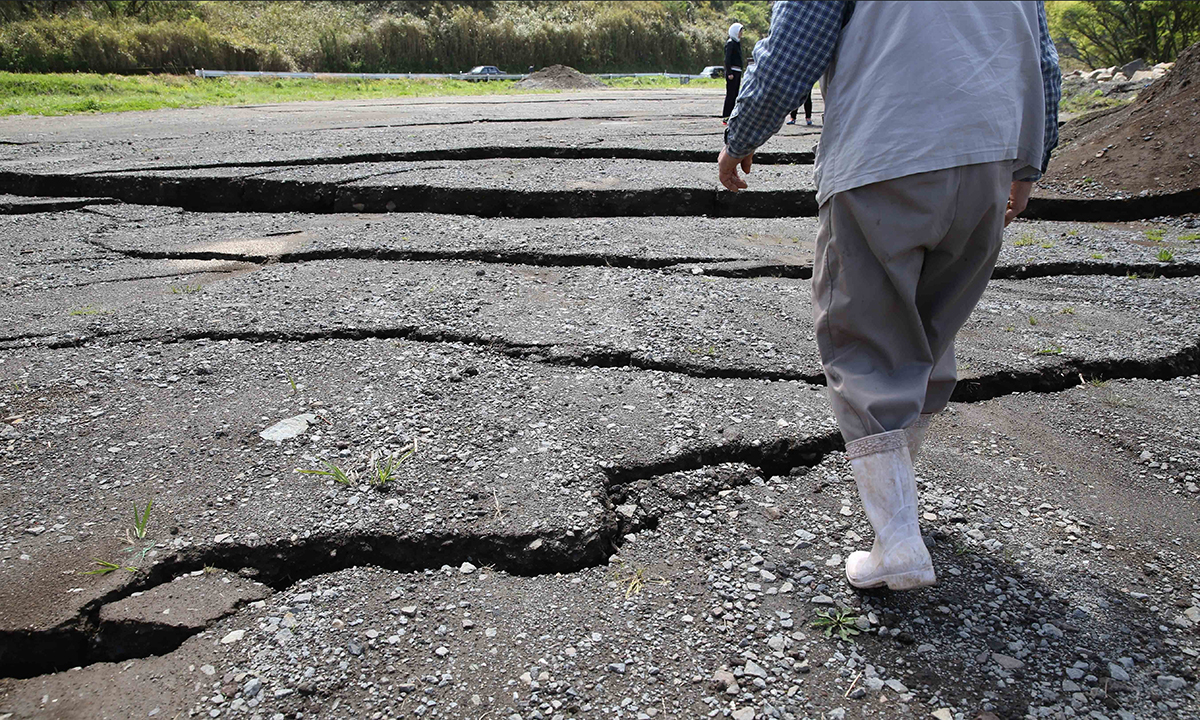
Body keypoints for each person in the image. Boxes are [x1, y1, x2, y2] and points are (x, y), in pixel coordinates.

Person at [717, 1, 1060, 591]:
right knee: (929, 333)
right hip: (988, 158)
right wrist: (1029, 163)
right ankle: (899, 508)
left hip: (886, 150)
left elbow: (796, 42)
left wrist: (743, 133)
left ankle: (898, 538)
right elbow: (1043, 62)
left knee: (865, 342)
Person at [721, 23, 744, 123]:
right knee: (730, 95)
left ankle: (732, 115)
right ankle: (726, 115)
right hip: (732, 73)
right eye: (740, 31)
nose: (741, 34)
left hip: (737, 72)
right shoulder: (730, 43)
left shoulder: (737, 43)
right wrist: (729, 72)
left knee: (735, 94)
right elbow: (727, 59)